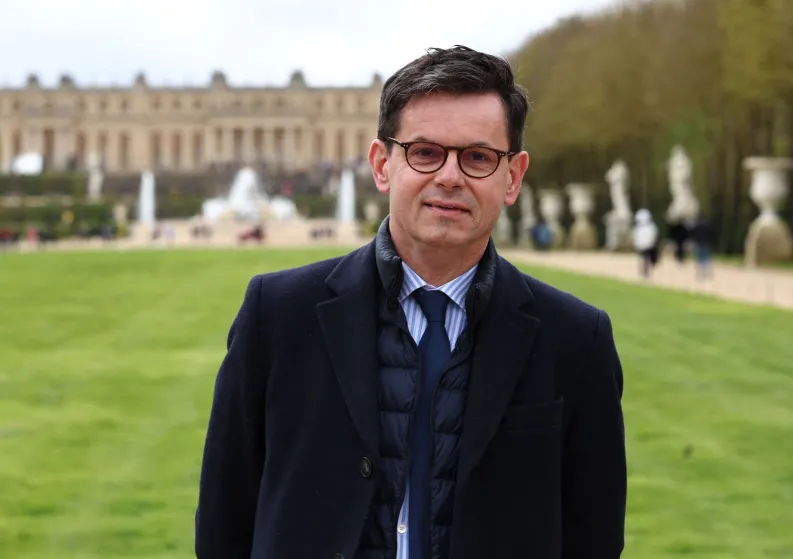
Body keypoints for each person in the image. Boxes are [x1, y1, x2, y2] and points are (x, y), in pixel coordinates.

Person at [194, 46, 627, 559]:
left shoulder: (575, 340)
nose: (449, 176)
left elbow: (593, 538)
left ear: (512, 176)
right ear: (382, 165)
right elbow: (224, 526)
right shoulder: (278, 316)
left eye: (478, 157)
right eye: (425, 152)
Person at [632, 208, 659, 277]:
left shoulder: (641, 228)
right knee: (645, 258)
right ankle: (644, 270)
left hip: (646, 245)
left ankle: (644, 270)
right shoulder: (650, 227)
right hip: (646, 245)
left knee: (644, 258)